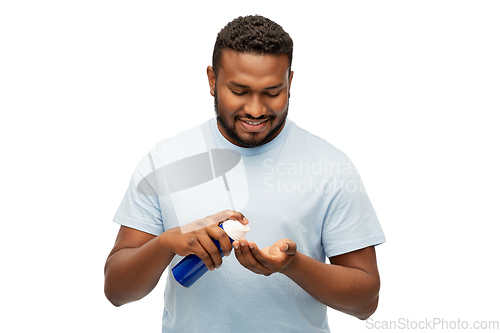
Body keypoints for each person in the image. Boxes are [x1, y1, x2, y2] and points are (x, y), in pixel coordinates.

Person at [104, 15, 385, 332]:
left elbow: (365, 302)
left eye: (272, 92)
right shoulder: (167, 160)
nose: (255, 109)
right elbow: (116, 291)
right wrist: (166, 243)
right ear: (212, 80)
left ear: (290, 83)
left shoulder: (329, 166)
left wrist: (293, 265)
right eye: (239, 91)